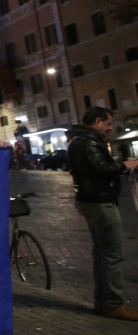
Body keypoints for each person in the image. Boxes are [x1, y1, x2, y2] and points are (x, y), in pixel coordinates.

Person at [67, 106, 138, 321]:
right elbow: (101, 168)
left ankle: (103, 302)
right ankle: (113, 304)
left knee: (102, 254)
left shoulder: (80, 138)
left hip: (91, 199)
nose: (110, 128)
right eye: (108, 123)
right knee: (112, 254)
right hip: (100, 200)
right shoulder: (87, 141)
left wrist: (119, 164)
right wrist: (126, 165)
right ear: (97, 121)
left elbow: (98, 165)